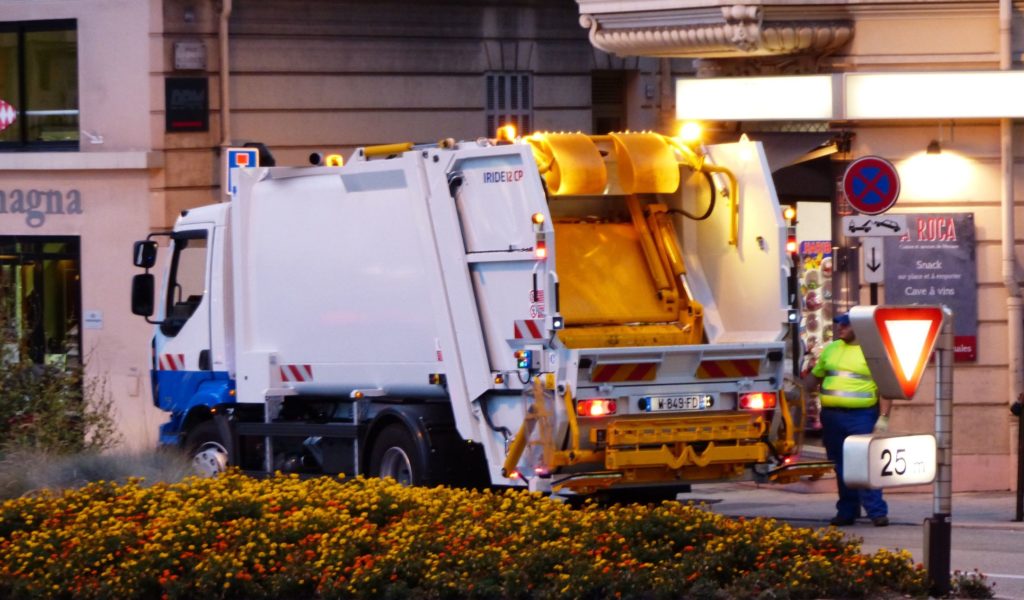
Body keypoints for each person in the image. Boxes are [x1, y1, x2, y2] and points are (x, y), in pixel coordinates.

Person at [801, 311, 892, 527]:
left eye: (844, 325)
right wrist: (797, 392)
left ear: (858, 328)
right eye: (839, 324)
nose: (839, 328)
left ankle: (876, 512)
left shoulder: (872, 352)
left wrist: (884, 418)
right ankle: (847, 511)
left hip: (861, 416)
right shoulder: (832, 349)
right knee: (841, 466)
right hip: (832, 418)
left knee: (864, 464)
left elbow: (885, 388)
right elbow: (815, 377)